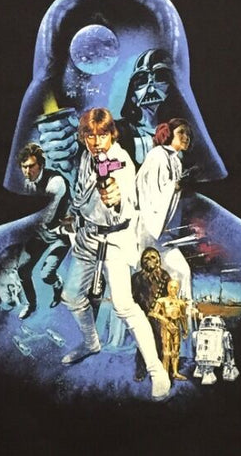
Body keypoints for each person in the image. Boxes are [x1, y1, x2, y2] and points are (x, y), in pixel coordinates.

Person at [59, 108, 171, 400]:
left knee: (124, 306)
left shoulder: (121, 163)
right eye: (90, 135)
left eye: (102, 135)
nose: (96, 142)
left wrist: (115, 197)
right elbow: (81, 194)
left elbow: (124, 198)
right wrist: (74, 214)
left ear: (112, 134)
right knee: (71, 295)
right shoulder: (86, 158)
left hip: (116, 239)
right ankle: (90, 343)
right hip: (88, 236)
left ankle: (156, 370)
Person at [135, 118, 194, 301]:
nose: (186, 137)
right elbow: (151, 193)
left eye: (188, 134)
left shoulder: (176, 161)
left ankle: (183, 317)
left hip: (163, 233)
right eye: (181, 132)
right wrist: (176, 185)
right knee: (142, 281)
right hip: (148, 231)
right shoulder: (157, 155)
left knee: (182, 272)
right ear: (168, 133)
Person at [15, 142, 71, 320]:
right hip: (41, 232)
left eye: (31, 166)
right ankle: (31, 304)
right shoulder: (28, 184)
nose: (27, 171)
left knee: (46, 275)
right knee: (23, 270)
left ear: (41, 165)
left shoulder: (56, 182)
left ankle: (57, 285)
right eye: (24, 167)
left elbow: (46, 216)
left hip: (60, 233)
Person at [130, 247, 171, 382]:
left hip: (158, 317)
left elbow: (168, 297)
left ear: (158, 260)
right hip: (141, 316)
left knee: (160, 343)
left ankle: (160, 371)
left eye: (153, 257)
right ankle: (141, 370)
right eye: (146, 258)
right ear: (142, 261)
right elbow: (132, 298)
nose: (149, 260)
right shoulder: (136, 278)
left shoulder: (165, 277)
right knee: (142, 343)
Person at [149, 278, 191, 381]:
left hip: (176, 327)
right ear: (168, 288)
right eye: (171, 287)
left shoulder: (181, 303)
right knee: (166, 352)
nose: (173, 289)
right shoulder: (162, 301)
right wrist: (165, 320)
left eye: (175, 287)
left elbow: (183, 317)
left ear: (178, 289)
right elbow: (153, 313)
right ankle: (165, 373)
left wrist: (185, 329)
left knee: (175, 351)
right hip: (166, 327)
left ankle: (175, 372)